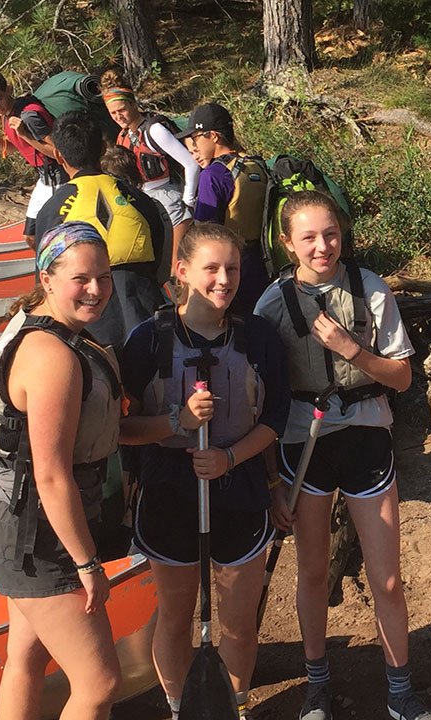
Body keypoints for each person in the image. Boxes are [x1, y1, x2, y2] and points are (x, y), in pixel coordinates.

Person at [254, 191, 431, 720]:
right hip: (304, 445)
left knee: (387, 578)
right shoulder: (273, 303)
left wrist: (351, 350)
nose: (322, 247)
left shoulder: (369, 289)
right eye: (308, 237)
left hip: (365, 438)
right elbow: (261, 401)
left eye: (330, 234)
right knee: (312, 573)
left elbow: (402, 377)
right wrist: (270, 483)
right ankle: (317, 686)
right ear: (287, 243)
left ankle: (400, 694)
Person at [119, 222, 291, 720]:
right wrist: (176, 421)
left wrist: (230, 458)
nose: (223, 279)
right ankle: (180, 707)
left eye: (232, 268)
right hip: (170, 491)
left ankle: (229, 706)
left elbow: (275, 418)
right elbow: (121, 429)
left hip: (238, 490)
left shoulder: (258, 337)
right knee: (174, 617)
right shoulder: (147, 340)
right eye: (210, 268)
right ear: (182, 271)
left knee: (237, 622)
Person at [0, 221, 122, 720]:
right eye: (82, 278)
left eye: (104, 276)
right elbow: (53, 476)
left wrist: (175, 422)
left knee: (26, 655)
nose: (98, 289)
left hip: (13, 517)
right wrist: (87, 564)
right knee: (99, 682)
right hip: (38, 534)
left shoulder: (41, 329)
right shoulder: (52, 356)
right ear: (47, 277)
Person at [35, 110, 170, 349]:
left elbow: (44, 278)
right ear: (102, 150)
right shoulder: (139, 198)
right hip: (146, 319)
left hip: (87, 330)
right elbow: (161, 265)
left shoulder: (53, 208)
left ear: (58, 155)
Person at [176, 102, 272, 314]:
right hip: (264, 263)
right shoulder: (257, 165)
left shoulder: (214, 174)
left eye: (196, 137)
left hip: (229, 269)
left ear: (213, 136)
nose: (194, 145)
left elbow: (204, 232)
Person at [100, 69, 200, 269]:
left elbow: (191, 164)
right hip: (145, 200)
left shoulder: (153, 130)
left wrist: (188, 200)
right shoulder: (124, 135)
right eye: (113, 113)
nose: (118, 116)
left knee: (176, 266)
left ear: (134, 104)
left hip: (170, 201)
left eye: (122, 109)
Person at [0, 70, 68, 248]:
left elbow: (60, 153)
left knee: (55, 235)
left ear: (8, 90)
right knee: (31, 237)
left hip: (60, 177)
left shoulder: (29, 116)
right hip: (45, 178)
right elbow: (12, 147)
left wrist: (25, 135)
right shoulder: (7, 116)